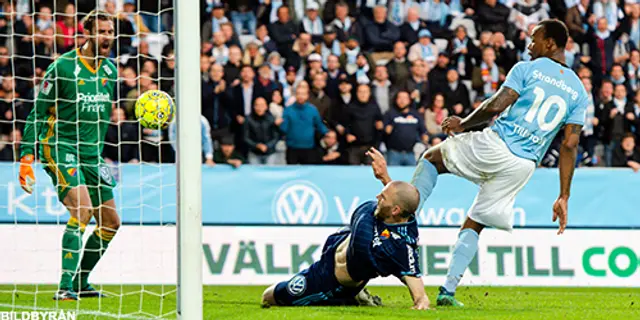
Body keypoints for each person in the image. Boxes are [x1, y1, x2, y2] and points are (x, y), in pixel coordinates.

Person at [408, 20, 587, 306]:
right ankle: (448, 292)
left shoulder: (526, 68)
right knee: (476, 221)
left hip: (498, 144)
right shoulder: (578, 90)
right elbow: (569, 145)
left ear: (550, 44)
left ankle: (403, 225)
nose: (530, 45)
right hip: (524, 165)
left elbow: (496, 105)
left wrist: (463, 124)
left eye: (534, 39)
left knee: (431, 158)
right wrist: (564, 195)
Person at [19, 10, 119, 300]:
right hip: (60, 146)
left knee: (111, 222)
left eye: (110, 32)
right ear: (87, 33)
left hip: (92, 154)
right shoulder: (62, 67)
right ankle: (64, 287)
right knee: (83, 211)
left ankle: (80, 282)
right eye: (101, 31)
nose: (107, 37)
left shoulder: (110, 71)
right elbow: (37, 113)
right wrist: (27, 156)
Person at [262, 148, 430, 310]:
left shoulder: (398, 247)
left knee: (269, 297)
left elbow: (417, 288)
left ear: (395, 210)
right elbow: (397, 196)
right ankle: (356, 294)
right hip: (336, 248)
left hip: (327, 280)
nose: (378, 196)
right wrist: (384, 177)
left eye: (383, 197)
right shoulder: (394, 212)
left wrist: (421, 301)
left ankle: (350, 295)